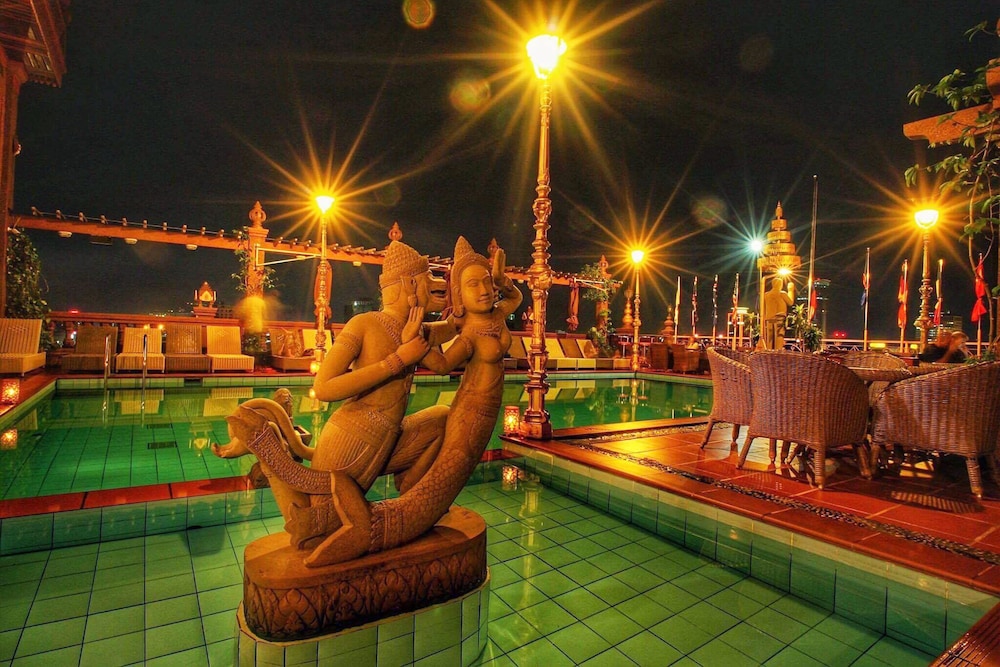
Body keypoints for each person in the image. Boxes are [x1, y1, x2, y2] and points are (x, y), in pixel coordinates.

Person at [760, 276, 795, 350]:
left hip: (769, 318)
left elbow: (763, 308)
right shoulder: (782, 293)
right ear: (780, 285)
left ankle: (769, 350)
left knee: (769, 337)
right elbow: (790, 302)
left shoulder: (766, 295)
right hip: (779, 317)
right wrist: (790, 290)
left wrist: (764, 318)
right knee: (779, 335)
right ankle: (778, 351)